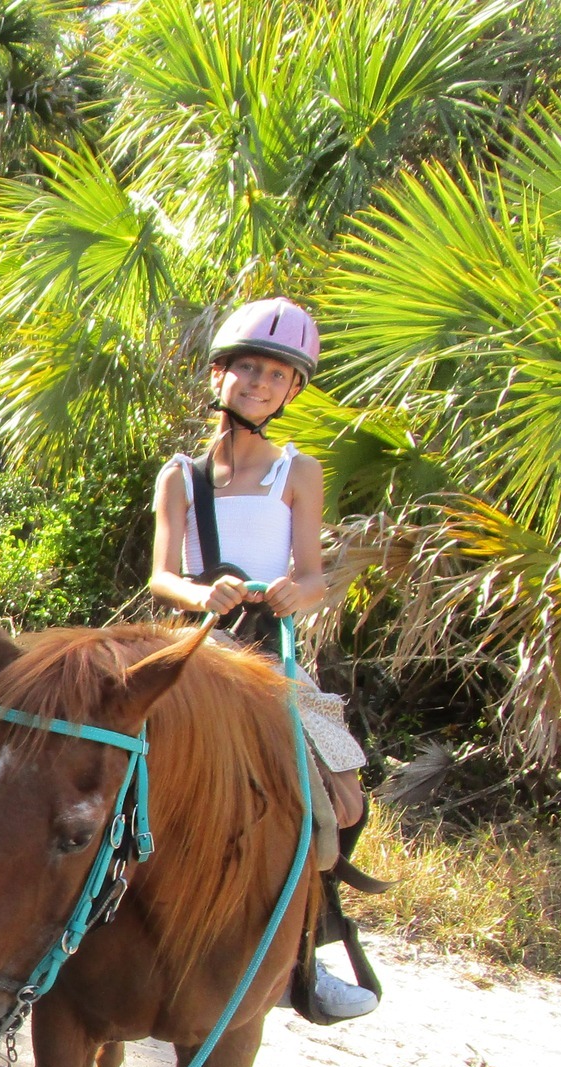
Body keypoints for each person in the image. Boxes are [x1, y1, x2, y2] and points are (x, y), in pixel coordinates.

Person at [147, 297, 379, 1021]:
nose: (257, 383)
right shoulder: (179, 477)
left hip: (268, 655)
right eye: (246, 368)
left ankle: (307, 951)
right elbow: (159, 573)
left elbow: (313, 576)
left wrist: (290, 591)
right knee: (75, 732)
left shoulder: (298, 473)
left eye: (274, 375)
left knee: (340, 791)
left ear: (290, 392)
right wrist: (197, 590)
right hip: (191, 644)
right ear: (219, 376)